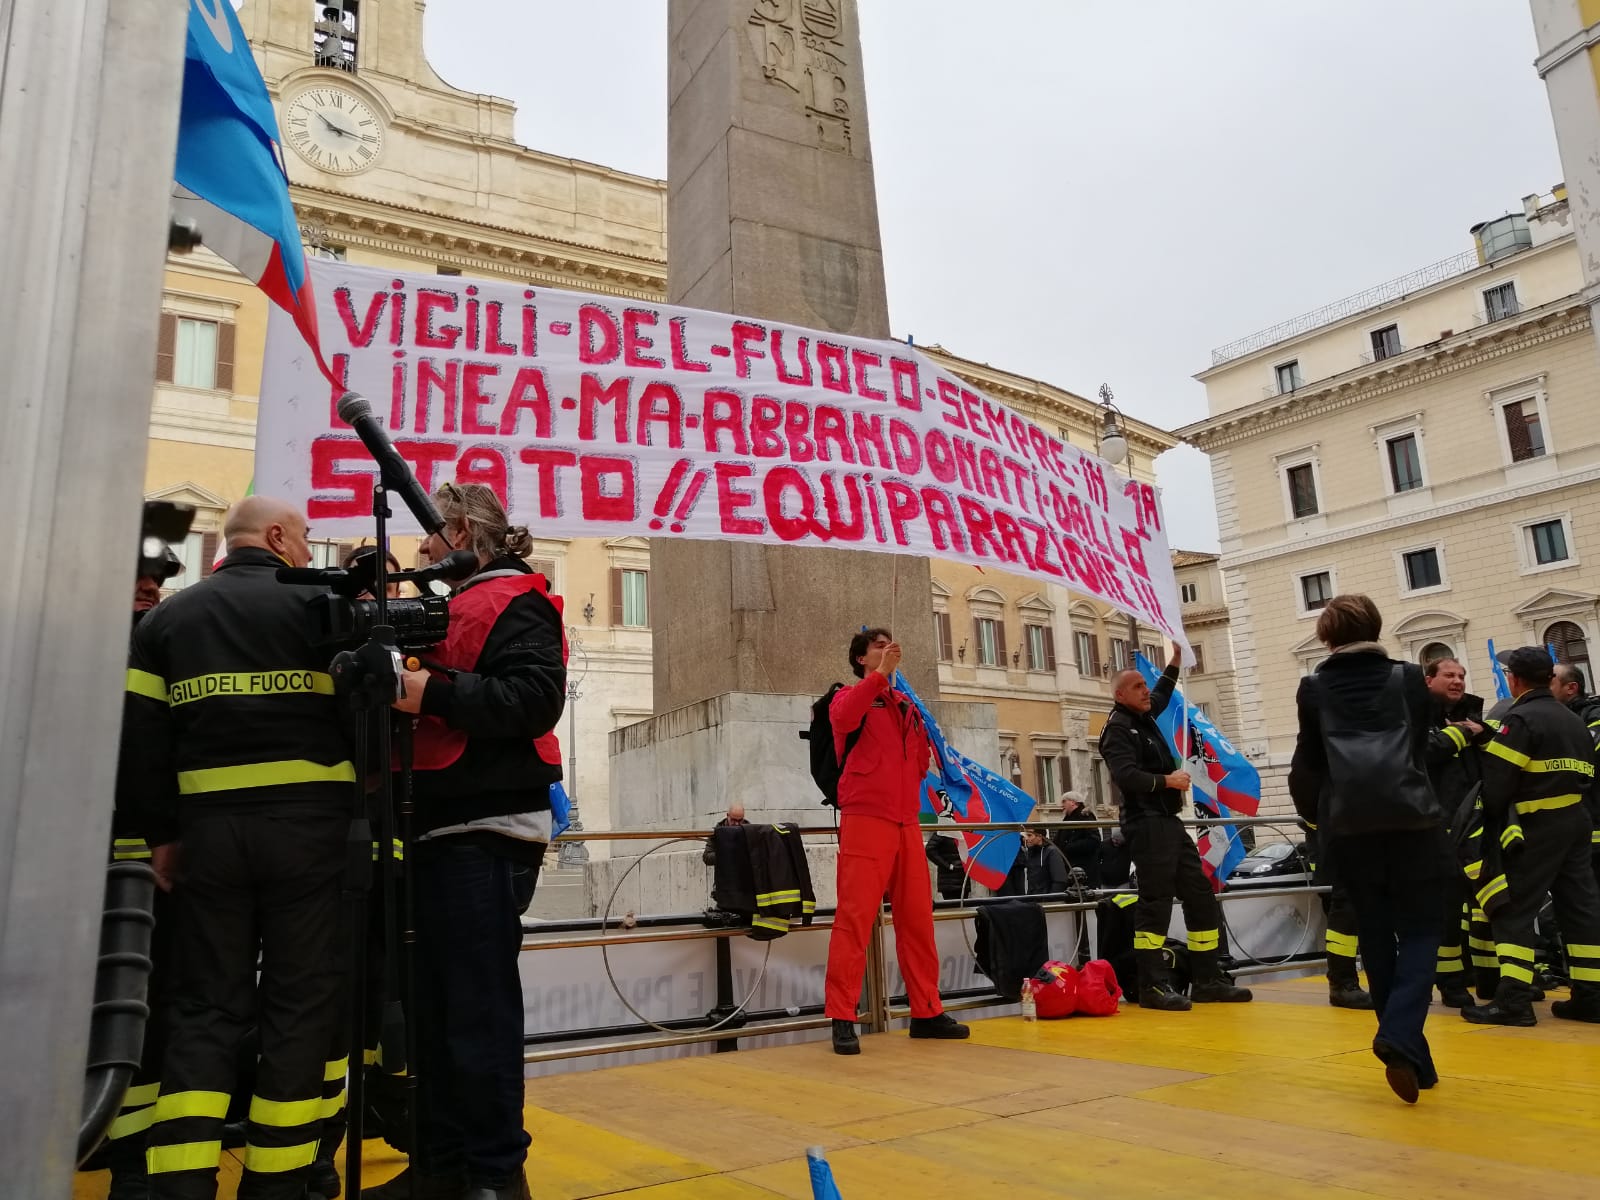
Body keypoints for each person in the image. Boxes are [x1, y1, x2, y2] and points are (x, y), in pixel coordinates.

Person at [122, 496, 356, 1199]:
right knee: (298, 1006)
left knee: (201, 1007)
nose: (309, 550)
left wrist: (162, 834)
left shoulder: (166, 620)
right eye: (306, 537)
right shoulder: (324, 606)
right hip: (311, 836)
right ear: (278, 536)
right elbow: (363, 716)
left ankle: (181, 1183)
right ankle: (277, 1184)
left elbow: (142, 743)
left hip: (208, 840)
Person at [370, 483, 567, 1200]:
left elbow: (533, 698)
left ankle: (492, 1177)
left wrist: (430, 694)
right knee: (429, 1016)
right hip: (427, 831)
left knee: (474, 1015)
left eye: (432, 536)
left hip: (482, 833)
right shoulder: (452, 604)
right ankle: (441, 1165)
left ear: (463, 533)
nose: (422, 550)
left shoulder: (516, 600)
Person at [1289, 595, 1449, 1104]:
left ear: (1325, 637)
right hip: (1412, 820)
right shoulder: (1407, 680)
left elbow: (1311, 762)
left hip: (1350, 827)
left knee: (1376, 936)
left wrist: (1318, 823)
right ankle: (1400, 1037)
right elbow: (1421, 747)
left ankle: (1412, 1055)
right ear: (1376, 628)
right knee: (1424, 930)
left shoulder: (1312, 687)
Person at [824, 628, 969, 1055]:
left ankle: (926, 1010)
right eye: (876, 645)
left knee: (917, 920)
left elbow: (920, 759)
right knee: (854, 919)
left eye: (890, 643)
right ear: (860, 659)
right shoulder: (850, 696)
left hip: (906, 823)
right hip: (866, 819)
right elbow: (843, 720)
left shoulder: (907, 706)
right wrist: (878, 677)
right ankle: (843, 1016)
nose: (887, 648)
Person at [1101, 646, 1251, 1011]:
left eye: (1143, 685)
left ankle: (1206, 979)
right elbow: (1126, 777)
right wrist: (1167, 781)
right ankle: (1152, 985)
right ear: (1120, 695)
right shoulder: (1118, 728)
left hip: (1167, 822)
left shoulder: (1143, 715)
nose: (1144, 691)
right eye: (1137, 686)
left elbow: (1162, 694)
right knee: (1155, 902)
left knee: (1199, 894)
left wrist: (1174, 662)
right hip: (1146, 823)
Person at [1461, 647, 1600, 1027]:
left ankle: (1514, 1002)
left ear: (1514, 680)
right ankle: (1591, 996)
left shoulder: (1520, 719)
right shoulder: (1573, 721)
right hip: (1577, 822)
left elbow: (1498, 784)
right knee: (1581, 910)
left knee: (1513, 908)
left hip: (1535, 825)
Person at [1422, 656, 1484, 1007]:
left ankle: (1485, 978)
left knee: (1484, 906)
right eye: (1449, 675)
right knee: (1447, 909)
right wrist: (1463, 733)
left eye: (1461, 675)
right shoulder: (1416, 719)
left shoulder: (1476, 717)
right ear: (1428, 681)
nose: (1458, 681)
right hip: (1437, 828)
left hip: (1476, 825)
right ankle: (1450, 983)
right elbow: (1425, 753)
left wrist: (1483, 733)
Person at [1551, 662, 1600, 892]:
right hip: (1574, 833)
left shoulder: (1594, 715)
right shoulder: (1556, 718)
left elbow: (1587, 759)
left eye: (1550, 681)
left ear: (1571, 688)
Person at [1052, 792, 1105, 888]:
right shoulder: (1068, 818)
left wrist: (1069, 846)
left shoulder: (1085, 816)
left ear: (1073, 802)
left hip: (1084, 869)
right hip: (1071, 867)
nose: (1061, 805)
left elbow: (1094, 840)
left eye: (1064, 801)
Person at [1001, 827, 1069, 896]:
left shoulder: (1051, 852)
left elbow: (1059, 880)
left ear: (1039, 836)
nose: (1026, 838)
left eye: (1029, 835)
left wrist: (1050, 899)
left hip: (1043, 902)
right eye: (1025, 836)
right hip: (1024, 901)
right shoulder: (1023, 853)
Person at [924, 831, 967, 902]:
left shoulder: (962, 828)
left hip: (961, 876)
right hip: (950, 878)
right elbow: (930, 849)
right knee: (954, 907)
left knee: (962, 907)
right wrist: (948, 866)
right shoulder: (944, 829)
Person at [702, 802, 749, 867]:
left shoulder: (749, 829)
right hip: (725, 874)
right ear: (727, 816)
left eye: (740, 820)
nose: (737, 824)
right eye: (733, 820)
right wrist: (725, 853)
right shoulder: (718, 831)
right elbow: (707, 858)